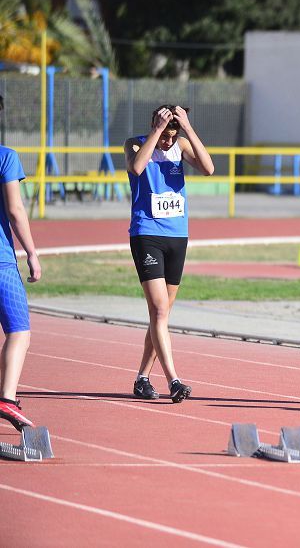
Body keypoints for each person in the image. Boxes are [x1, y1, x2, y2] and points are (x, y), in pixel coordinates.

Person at [125, 105, 215, 402]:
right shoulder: (137, 143)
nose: (168, 142)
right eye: (165, 135)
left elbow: (209, 168)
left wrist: (187, 129)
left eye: (171, 137)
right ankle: (174, 380)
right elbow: (137, 167)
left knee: (159, 315)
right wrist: (156, 131)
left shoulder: (182, 144)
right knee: (160, 310)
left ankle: (141, 378)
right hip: (147, 234)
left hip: (177, 236)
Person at [0, 95, 42, 431]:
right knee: (19, 332)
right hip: (1, 263)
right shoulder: (6, 157)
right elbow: (15, 210)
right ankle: (7, 399)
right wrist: (32, 252)